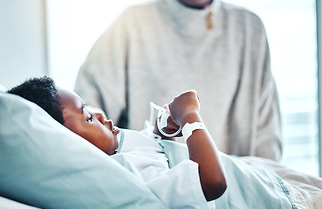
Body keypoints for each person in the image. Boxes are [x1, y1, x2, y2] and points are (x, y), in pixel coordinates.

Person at [7, 77, 311, 209]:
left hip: (265, 182)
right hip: (277, 208)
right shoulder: (124, 175)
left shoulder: (117, 149)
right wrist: (190, 118)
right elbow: (212, 181)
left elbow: (153, 153)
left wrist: (162, 130)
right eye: (88, 117)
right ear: (66, 145)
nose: (99, 114)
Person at [74, 0, 283, 161]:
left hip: (237, 195)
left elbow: (267, 137)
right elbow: (83, 117)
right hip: (153, 189)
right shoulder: (131, 25)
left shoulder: (249, 28)